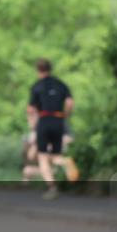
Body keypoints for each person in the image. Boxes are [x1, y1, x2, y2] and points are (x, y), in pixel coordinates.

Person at [27, 58, 79, 199]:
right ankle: (66, 162)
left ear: (38, 70)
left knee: (42, 157)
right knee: (56, 156)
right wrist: (64, 116)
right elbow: (69, 102)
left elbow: (31, 109)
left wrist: (33, 125)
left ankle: (52, 187)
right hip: (58, 120)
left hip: (44, 121)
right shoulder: (61, 84)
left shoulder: (37, 86)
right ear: (50, 69)